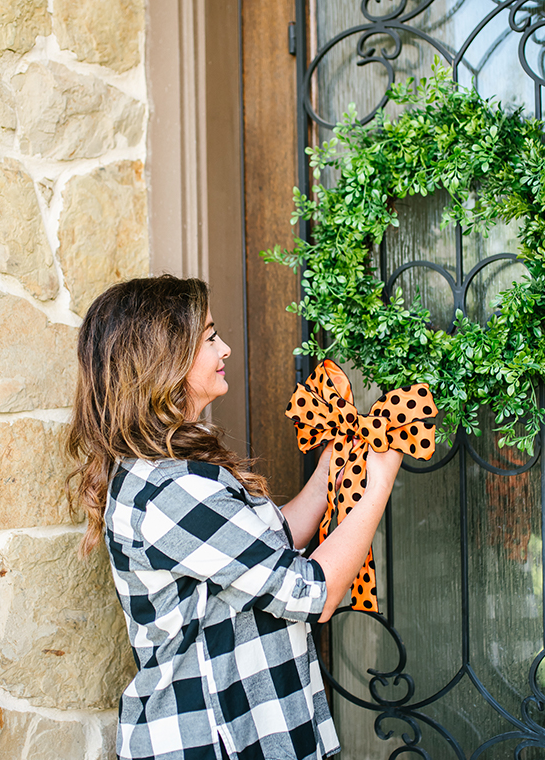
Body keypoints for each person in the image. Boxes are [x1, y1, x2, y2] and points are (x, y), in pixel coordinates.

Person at [66, 275, 403, 760]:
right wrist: (382, 479)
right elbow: (315, 592)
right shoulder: (171, 491)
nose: (224, 348)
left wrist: (335, 460)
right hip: (210, 740)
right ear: (164, 360)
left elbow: (269, 544)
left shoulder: (175, 470)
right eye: (209, 337)